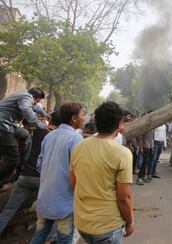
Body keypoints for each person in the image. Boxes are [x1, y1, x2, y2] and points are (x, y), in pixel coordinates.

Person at [70, 102, 134, 243]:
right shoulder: (123, 153)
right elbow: (124, 198)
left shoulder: (78, 147)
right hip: (107, 227)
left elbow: (73, 183)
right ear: (119, 125)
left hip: (82, 223)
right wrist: (130, 222)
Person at [30, 102, 85, 244]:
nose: (84, 118)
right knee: (65, 239)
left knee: (39, 236)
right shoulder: (76, 138)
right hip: (64, 202)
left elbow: (39, 165)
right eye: (82, 115)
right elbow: (79, 171)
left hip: (45, 198)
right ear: (74, 118)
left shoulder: (49, 136)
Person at [0, 112, 60, 235]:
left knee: (8, 210)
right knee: (49, 213)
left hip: (25, 175)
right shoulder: (57, 136)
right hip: (42, 178)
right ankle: (48, 238)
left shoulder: (38, 131)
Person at [0, 87, 47, 187]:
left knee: (25, 134)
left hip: (9, 124)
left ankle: (23, 160)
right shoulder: (26, 97)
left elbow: (34, 107)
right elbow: (26, 109)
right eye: (37, 101)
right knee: (12, 159)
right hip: (2, 124)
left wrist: (44, 114)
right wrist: (41, 126)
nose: (36, 103)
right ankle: (2, 182)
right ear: (34, 97)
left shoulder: (24, 95)